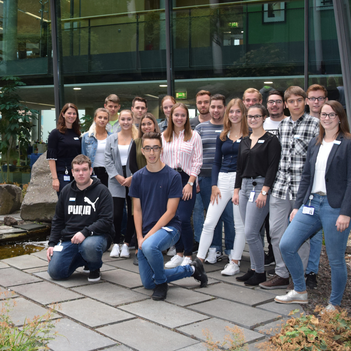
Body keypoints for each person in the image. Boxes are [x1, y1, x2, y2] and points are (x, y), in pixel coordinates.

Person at [275, 101, 351, 311]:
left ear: (339, 118)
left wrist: (346, 212)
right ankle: (300, 291)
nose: (326, 118)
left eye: (331, 114)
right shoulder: (315, 143)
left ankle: (334, 304)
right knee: (287, 245)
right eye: (324, 114)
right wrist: (297, 206)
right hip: (311, 204)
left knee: (336, 259)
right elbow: (306, 177)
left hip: (335, 207)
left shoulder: (347, 143)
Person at [129, 132, 208, 301]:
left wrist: (146, 238)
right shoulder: (137, 177)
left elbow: (171, 212)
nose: (152, 153)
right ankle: (192, 270)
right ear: (142, 151)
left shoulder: (173, 176)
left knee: (149, 247)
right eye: (148, 148)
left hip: (170, 228)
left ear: (161, 150)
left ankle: (162, 283)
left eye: (155, 148)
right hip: (147, 232)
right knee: (148, 283)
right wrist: (140, 237)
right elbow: (137, 210)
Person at [260, 86, 319, 290]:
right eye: (291, 101)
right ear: (286, 104)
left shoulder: (315, 125)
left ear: (305, 102)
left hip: (303, 191)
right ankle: (281, 273)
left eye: (299, 101)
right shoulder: (282, 126)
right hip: (280, 189)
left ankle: (297, 277)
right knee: (276, 232)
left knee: (301, 236)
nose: (295, 104)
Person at [197, 98, 248, 276]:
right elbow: (216, 162)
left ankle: (235, 262)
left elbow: (247, 164)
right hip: (222, 181)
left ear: (243, 113)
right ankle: (198, 261)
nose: (234, 115)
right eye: (231, 112)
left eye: (238, 111)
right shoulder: (223, 135)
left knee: (239, 225)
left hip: (240, 182)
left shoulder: (249, 136)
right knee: (209, 222)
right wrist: (213, 185)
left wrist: (238, 187)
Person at [233, 104, 281, 286]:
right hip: (245, 187)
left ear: (264, 117)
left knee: (251, 232)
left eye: (256, 116)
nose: (253, 120)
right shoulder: (244, 141)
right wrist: (236, 190)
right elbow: (239, 168)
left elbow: (272, 167)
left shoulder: (271, 140)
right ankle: (253, 268)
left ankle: (260, 272)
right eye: (250, 117)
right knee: (251, 233)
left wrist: (264, 191)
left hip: (260, 187)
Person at [47, 154, 114, 282]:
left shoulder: (102, 191)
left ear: (90, 170)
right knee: (55, 272)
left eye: (84, 169)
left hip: (96, 237)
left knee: (89, 246)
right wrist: (52, 243)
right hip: (70, 239)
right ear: (72, 172)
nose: (81, 173)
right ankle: (84, 258)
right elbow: (58, 220)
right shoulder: (66, 191)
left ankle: (93, 266)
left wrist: (85, 232)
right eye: (77, 170)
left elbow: (106, 220)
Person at [195, 94, 236, 263]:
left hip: (227, 177)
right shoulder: (200, 128)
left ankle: (231, 249)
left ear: (224, 108)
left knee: (230, 216)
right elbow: (195, 155)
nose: (216, 110)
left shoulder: (230, 128)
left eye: (219, 107)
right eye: (213, 107)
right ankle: (215, 248)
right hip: (205, 178)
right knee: (212, 216)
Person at [161, 103, 203, 268]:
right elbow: (160, 160)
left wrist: (190, 183)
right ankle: (178, 254)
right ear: (171, 117)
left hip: (187, 179)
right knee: (172, 218)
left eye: (182, 115)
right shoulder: (164, 136)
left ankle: (187, 254)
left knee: (184, 218)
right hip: (169, 179)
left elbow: (197, 162)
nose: (179, 118)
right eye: (176, 115)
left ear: (187, 117)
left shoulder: (194, 136)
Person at [304, 84, 329, 289]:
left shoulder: (328, 124)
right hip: (301, 184)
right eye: (312, 98)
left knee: (314, 235)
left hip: (321, 189)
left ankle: (311, 271)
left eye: (320, 98)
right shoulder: (302, 122)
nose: (316, 102)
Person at [105, 110, 138, 259]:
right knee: (116, 213)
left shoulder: (137, 138)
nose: (126, 122)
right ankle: (116, 243)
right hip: (115, 179)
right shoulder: (111, 138)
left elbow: (141, 160)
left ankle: (126, 244)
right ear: (119, 120)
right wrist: (117, 176)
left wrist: (132, 177)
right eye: (123, 119)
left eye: (128, 119)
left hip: (133, 179)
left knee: (132, 212)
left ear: (132, 120)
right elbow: (107, 159)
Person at [128, 113, 160, 265]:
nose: (146, 127)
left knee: (155, 214)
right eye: (144, 124)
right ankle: (138, 249)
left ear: (154, 125)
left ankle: (154, 246)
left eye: (149, 123)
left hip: (158, 183)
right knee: (138, 214)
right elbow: (132, 164)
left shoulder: (160, 142)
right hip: (140, 182)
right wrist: (140, 176)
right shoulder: (136, 142)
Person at [262, 90, 288, 267]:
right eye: (271, 102)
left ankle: (281, 257)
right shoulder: (261, 123)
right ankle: (271, 253)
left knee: (280, 223)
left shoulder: (289, 123)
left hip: (284, 180)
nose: (274, 105)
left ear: (283, 104)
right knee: (266, 221)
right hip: (263, 178)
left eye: (278, 101)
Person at [191, 90, 211, 252]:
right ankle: (199, 240)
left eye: (206, 102)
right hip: (196, 174)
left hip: (214, 176)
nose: (203, 105)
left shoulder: (220, 123)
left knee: (213, 211)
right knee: (197, 210)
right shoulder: (192, 124)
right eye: (200, 102)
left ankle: (214, 244)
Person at [47, 103, 81, 194]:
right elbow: (51, 158)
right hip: (62, 174)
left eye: (74, 114)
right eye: (69, 113)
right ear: (63, 114)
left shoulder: (77, 133)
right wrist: (55, 179)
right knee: (65, 201)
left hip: (76, 174)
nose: (72, 116)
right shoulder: (55, 133)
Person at [81, 108, 111, 187]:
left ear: (108, 120)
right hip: (92, 172)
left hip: (108, 173)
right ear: (95, 119)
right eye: (100, 117)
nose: (102, 120)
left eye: (105, 118)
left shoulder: (112, 137)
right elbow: (83, 156)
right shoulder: (87, 137)